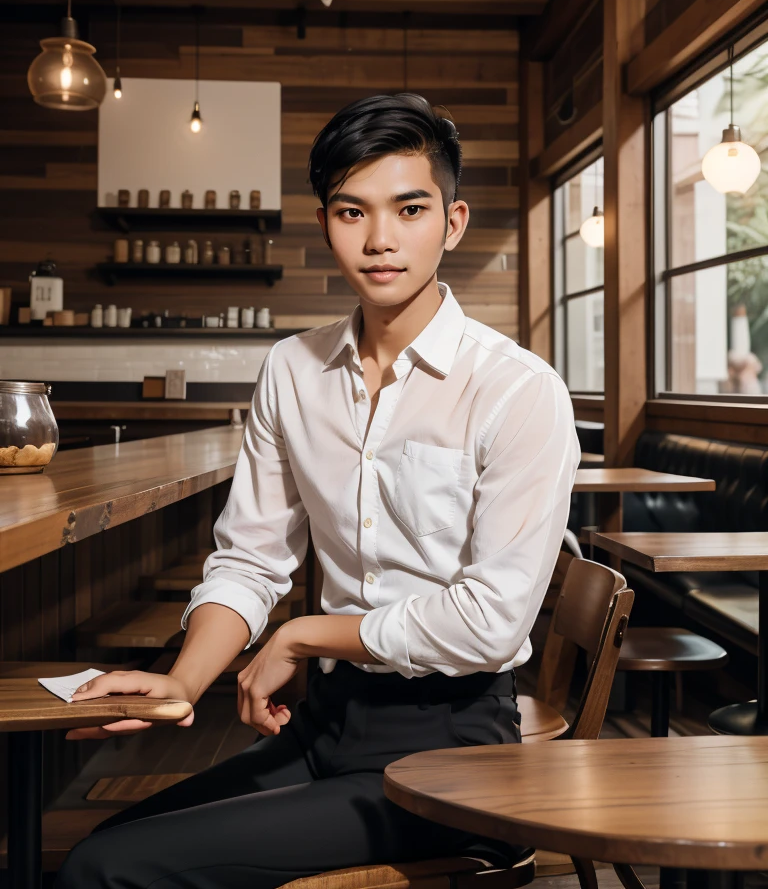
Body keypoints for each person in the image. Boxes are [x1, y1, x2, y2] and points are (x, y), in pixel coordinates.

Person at [56, 93, 581, 889]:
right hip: (325, 725)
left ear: (453, 221)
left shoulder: (518, 391)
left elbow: (487, 621)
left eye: (410, 209)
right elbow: (250, 558)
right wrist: (184, 680)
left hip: (458, 747)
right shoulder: (292, 370)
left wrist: (304, 637)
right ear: (324, 220)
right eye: (351, 211)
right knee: (111, 842)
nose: (379, 240)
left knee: (108, 868)